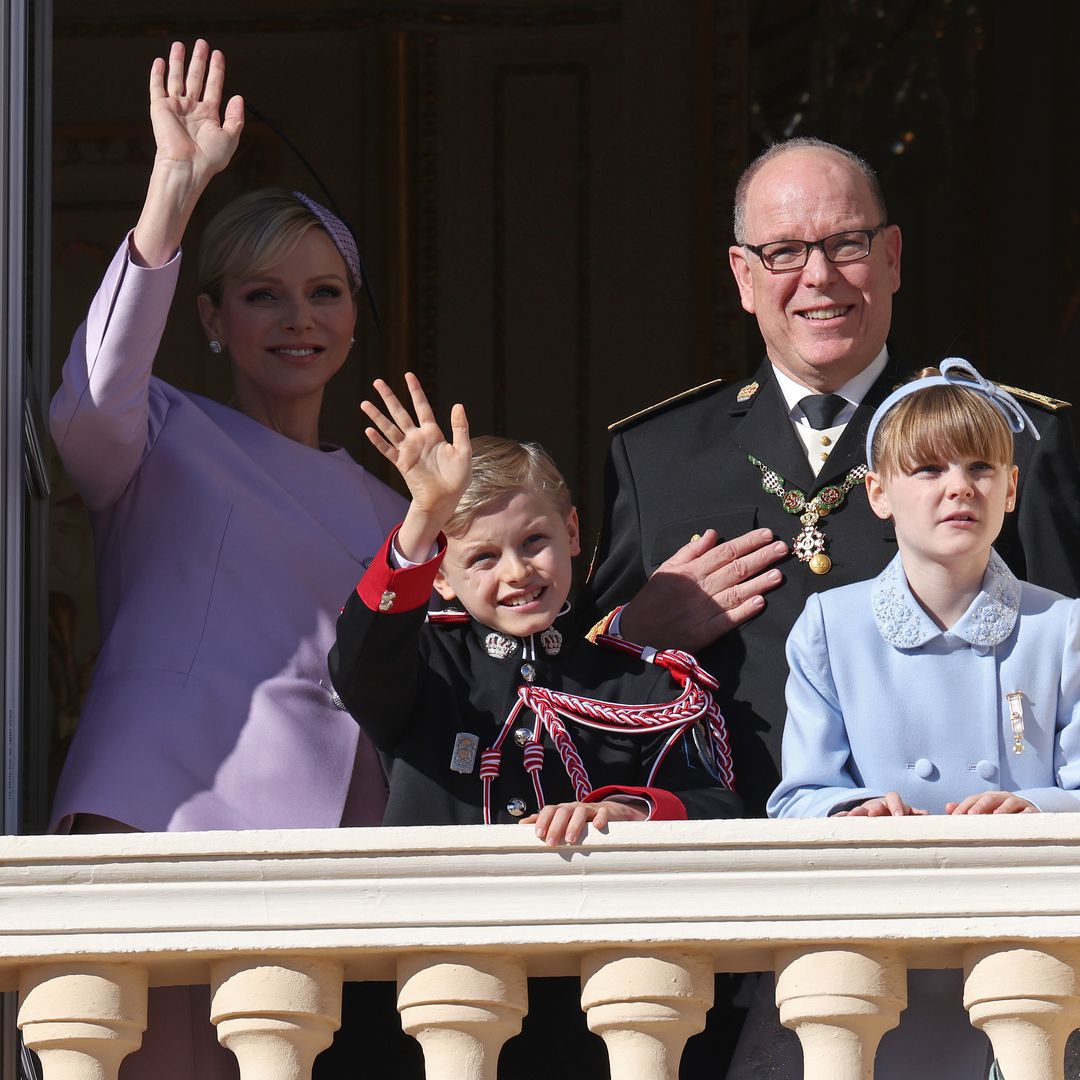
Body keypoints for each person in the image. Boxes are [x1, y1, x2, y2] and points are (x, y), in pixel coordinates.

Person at [48, 40, 405, 1078]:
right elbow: (91, 396)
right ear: (208, 317)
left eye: (326, 293)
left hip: (332, 841)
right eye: (262, 295)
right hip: (171, 809)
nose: (299, 318)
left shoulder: (396, 505)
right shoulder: (156, 432)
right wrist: (175, 187)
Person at [579, 136, 1080, 818]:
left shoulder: (1011, 438)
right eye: (783, 251)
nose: (819, 276)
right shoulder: (656, 454)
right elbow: (567, 684)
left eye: (847, 243)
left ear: (892, 257)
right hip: (714, 858)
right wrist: (635, 631)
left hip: (949, 853)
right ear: (743, 276)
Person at [726, 359, 1080, 1080]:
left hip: (1022, 958)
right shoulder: (831, 624)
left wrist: (1029, 806)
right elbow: (797, 797)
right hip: (875, 961)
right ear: (880, 494)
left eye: (982, 467)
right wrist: (851, 808)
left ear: (1011, 488)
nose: (959, 487)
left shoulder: (1063, 628)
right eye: (928, 469)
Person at [329, 372, 742, 837]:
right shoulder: (426, 667)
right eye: (484, 557)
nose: (517, 572)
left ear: (571, 532)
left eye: (533, 541)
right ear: (441, 575)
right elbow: (359, 662)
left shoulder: (641, 685)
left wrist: (629, 811)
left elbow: (716, 807)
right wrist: (424, 520)